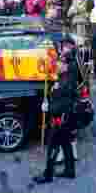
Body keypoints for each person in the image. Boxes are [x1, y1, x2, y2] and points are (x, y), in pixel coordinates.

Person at [34, 55, 77, 183]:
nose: (57, 65)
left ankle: (48, 175)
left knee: (52, 146)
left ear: (66, 66)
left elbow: (62, 104)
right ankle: (70, 171)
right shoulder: (63, 78)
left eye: (60, 64)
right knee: (66, 144)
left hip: (60, 120)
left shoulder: (66, 82)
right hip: (63, 119)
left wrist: (49, 108)